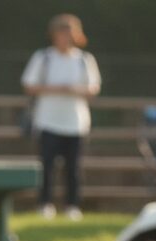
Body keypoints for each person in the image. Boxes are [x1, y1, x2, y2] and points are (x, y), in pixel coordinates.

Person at [20, 13, 101, 221]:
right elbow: (29, 85)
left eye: (69, 33)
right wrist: (57, 89)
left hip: (76, 123)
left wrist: (73, 90)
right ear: (54, 35)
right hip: (47, 121)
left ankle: (72, 206)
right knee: (47, 166)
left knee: (73, 168)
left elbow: (93, 88)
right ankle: (44, 204)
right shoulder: (43, 57)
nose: (66, 38)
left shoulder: (85, 59)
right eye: (62, 33)